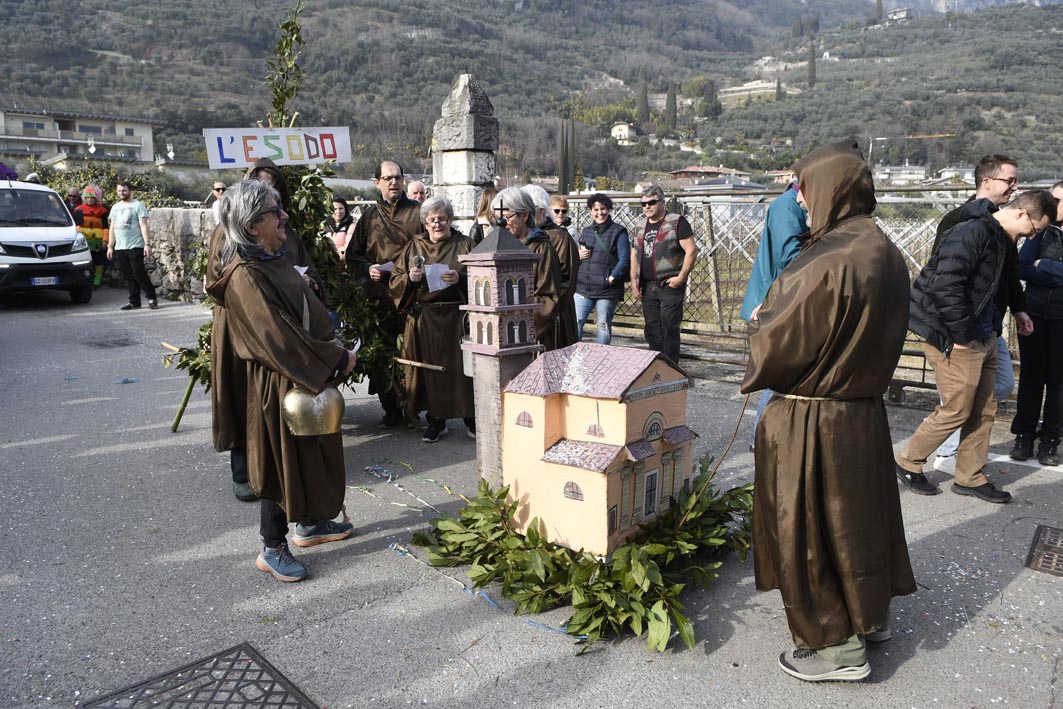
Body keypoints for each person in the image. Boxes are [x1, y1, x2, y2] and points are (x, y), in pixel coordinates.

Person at [741, 141, 916, 683]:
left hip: (812, 420)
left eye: (806, 190)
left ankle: (835, 646)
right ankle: (871, 617)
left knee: (810, 531)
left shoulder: (825, 259)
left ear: (828, 190)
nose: (804, 203)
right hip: (860, 414)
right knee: (858, 523)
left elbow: (771, 345)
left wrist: (762, 322)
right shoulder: (883, 250)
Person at [209, 180, 358, 582]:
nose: (284, 216)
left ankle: (310, 524)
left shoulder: (270, 257)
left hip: (297, 375)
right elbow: (277, 337)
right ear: (253, 225)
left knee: (309, 453)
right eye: (276, 211)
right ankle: (271, 547)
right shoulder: (244, 273)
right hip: (277, 382)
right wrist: (338, 358)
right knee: (279, 461)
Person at [897, 189, 1057, 504]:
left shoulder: (1005, 240)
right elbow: (945, 285)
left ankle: (970, 476)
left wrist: (1020, 309)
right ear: (1022, 213)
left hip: (985, 333)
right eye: (1035, 229)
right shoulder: (971, 232)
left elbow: (1009, 280)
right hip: (957, 335)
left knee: (984, 409)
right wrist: (959, 335)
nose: (1034, 235)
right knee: (956, 408)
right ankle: (907, 462)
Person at [929, 155, 1031, 471]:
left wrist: (1018, 310)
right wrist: (958, 330)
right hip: (962, 326)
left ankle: (957, 451)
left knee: (996, 387)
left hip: (989, 324)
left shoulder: (1004, 220)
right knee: (963, 396)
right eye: (1009, 180)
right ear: (986, 182)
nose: (1015, 186)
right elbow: (944, 278)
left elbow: (1010, 273)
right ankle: (946, 455)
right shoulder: (957, 220)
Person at [389, 196, 475, 442]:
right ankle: (436, 421)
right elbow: (395, 278)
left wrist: (461, 279)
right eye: (432, 220)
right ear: (425, 222)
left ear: (450, 220)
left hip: (458, 316)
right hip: (425, 318)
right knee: (432, 370)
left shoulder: (466, 244)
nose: (437, 225)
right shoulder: (413, 246)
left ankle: (471, 418)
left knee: (462, 369)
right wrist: (410, 278)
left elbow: (486, 278)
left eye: (443, 219)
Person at [345, 160, 422, 428]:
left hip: (411, 295)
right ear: (376, 182)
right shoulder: (369, 217)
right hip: (377, 297)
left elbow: (431, 249)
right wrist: (368, 268)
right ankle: (390, 408)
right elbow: (353, 257)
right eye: (388, 178)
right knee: (381, 355)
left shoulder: (418, 214)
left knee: (412, 352)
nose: (394, 182)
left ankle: (413, 407)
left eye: (398, 177)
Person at [740, 183, 810, 448]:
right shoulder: (786, 207)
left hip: (780, 300)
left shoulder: (791, 205)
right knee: (776, 375)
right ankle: (761, 438)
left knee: (782, 374)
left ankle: (767, 436)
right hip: (773, 303)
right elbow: (792, 255)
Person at [1011, 181, 1063, 466]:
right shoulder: (1040, 233)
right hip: (1036, 313)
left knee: (1058, 381)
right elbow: (1023, 267)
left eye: (1059, 200)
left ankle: (1050, 441)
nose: (1053, 205)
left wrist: (1048, 267)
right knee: (1031, 377)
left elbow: (1038, 268)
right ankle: (1023, 436)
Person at [630, 185, 697, 362]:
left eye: (651, 202)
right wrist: (634, 281)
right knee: (652, 329)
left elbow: (691, 250)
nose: (647, 206)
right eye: (643, 203)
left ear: (662, 202)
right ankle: (656, 367)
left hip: (669, 285)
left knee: (669, 328)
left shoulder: (677, 222)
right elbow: (634, 254)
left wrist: (681, 277)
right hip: (647, 286)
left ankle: (671, 370)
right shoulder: (639, 226)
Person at [492, 187, 564, 350]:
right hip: (501, 338)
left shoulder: (542, 249)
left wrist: (518, 326)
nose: (501, 224)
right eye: (497, 219)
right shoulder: (498, 248)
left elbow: (548, 301)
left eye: (506, 217)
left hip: (530, 339)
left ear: (524, 215)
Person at [524, 184, 579, 348]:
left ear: (541, 210)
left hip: (553, 317)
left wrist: (542, 311)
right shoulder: (521, 238)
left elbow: (565, 283)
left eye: (528, 210)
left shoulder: (560, 237)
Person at [574, 192, 629, 344]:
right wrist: (578, 256)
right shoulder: (586, 231)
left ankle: (600, 361)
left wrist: (612, 278)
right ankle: (574, 358)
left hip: (606, 289)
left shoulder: (619, 232)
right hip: (584, 287)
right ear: (590, 211)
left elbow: (624, 259)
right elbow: (581, 256)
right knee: (576, 322)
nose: (599, 213)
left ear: (609, 209)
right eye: (595, 209)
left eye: (603, 208)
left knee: (603, 325)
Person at [106, 182, 158, 311]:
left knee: (138, 272)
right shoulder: (115, 207)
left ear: (130, 191)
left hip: (135, 245)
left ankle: (151, 297)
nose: (121, 193)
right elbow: (112, 227)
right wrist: (110, 246)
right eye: (119, 191)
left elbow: (144, 226)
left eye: (124, 190)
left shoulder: (138, 205)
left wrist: (147, 244)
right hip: (120, 247)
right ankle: (134, 301)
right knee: (128, 275)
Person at [75, 185, 110, 288]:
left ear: (96, 199)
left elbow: (105, 227)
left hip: (98, 242)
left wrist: (105, 240)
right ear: (85, 198)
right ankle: (85, 281)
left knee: (99, 263)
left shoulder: (102, 211)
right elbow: (77, 226)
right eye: (88, 197)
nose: (90, 199)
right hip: (84, 241)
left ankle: (97, 282)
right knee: (85, 262)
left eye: (92, 197)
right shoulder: (79, 209)